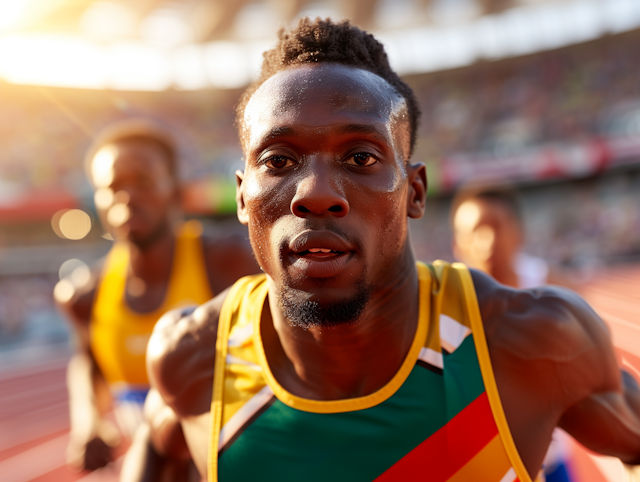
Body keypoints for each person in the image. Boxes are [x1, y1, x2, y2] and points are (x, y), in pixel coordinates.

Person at [140, 18, 640, 482]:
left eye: (361, 156)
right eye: (278, 159)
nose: (315, 193)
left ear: (415, 193)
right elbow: (155, 449)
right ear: (243, 197)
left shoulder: (530, 341)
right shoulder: (192, 356)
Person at [55, 120, 259, 474]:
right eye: (112, 186)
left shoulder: (228, 261)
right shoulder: (84, 294)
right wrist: (88, 421)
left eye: (144, 182)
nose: (127, 196)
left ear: (176, 192)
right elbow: (88, 361)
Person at [451, 186, 575, 481]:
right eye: (475, 231)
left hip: (552, 461)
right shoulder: (446, 307)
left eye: (496, 227)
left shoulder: (555, 290)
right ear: (458, 244)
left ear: (519, 232)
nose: (487, 241)